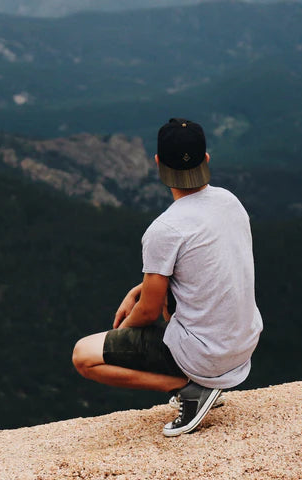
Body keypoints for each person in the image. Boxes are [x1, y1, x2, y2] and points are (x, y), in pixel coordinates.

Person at [72, 118, 263, 437]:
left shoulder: (165, 229)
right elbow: (211, 267)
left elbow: (148, 312)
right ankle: (200, 381)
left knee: (84, 355)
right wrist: (142, 288)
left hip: (208, 357)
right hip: (243, 344)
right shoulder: (230, 202)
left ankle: (191, 386)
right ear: (207, 160)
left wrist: (123, 335)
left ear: (158, 164)